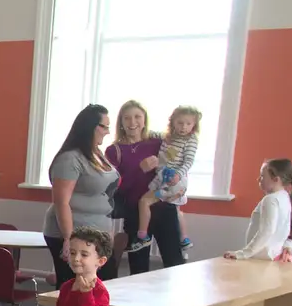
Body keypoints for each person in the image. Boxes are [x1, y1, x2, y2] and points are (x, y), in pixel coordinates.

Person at [43, 105, 119, 290]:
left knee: (101, 287)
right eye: (104, 127)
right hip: (75, 235)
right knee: (74, 288)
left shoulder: (96, 154)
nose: (108, 132)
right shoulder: (70, 159)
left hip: (97, 235)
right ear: (90, 126)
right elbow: (62, 202)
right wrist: (69, 239)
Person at [131, 106, 200, 259]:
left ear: (194, 125)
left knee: (144, 201)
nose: (184, 127)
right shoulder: (169, 137)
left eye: (188, 124)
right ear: (173, 122)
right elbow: (153, 133)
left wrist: (178, 175)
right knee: (176, 208)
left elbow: (188, 161)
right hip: (162, 177)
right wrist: (140, 128)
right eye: (180, 123)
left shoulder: (191, 140)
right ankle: (184, 239)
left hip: (173, 180)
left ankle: (142, 235)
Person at [105, 100, 160, 277]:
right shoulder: (114, 150)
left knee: (173, 260)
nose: (132, 122)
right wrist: (139, 170)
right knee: (138, 264)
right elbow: (114, 187)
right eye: (127, 118)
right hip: (134, 211)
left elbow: (177, 164)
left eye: (137, 117)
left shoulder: (156, 144)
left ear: (145, 120)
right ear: (120, 122)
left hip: (161, 206)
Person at [225, 159, 292, 262]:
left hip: (263, 259)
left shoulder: (271, 200)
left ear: (276, 179)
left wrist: (243, 253)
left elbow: (267, 231)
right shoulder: (285, 197)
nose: (258, 179)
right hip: (276, 255)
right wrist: (289, 245)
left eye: (262, 176)